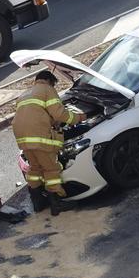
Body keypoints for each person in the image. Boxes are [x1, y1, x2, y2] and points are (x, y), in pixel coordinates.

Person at [12, 70, 87, 216]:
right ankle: (57, 204)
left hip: (22, 136)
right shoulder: (47, 89)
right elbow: (59, 113)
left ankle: (37, 202)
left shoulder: (25, 94)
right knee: (51, 168)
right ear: (48, 81)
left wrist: (52, 122)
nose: (53, 87)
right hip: (38, 135)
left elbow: (35, 114)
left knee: (35, 168)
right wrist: (79, 118)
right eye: (53, 84)